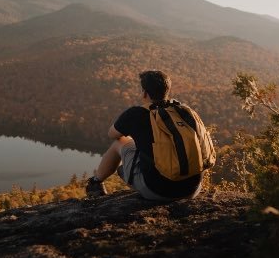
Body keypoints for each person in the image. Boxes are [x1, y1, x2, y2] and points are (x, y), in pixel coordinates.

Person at [85, 70, 215, 201]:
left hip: (156, 191)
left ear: (144, 92)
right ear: (167, 90)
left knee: (120, 142)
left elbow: (112, 134)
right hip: (192, 190)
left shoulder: (136, 114)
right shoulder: (184, 111)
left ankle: (95, 184)